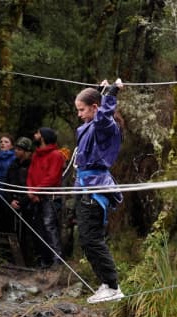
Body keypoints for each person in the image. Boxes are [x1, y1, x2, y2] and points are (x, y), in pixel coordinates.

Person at [74, 79, 125, 303]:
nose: (79, 114)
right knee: (86, 239)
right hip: (84, 187)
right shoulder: (92, 125)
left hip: (96, 189)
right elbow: (98, 113)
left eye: (82, 110)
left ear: (95, 108)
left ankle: (113, 286)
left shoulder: (105, 126)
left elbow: (103, 116)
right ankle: (106, 284)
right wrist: (103, 91)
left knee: (92, 239)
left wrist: (111, 93)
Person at [26, 127, 65, 268]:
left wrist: (36, 191)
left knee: (50, 227)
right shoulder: (36, 155)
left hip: (50, 197)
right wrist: (31, 191)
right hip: (36, 196)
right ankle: (44, 260)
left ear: (43, 137)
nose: (35, 135)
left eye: (37, 133)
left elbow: (53, 177)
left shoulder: (56, 155)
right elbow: (30, 174)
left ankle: (57, 260)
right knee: (39, 228)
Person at [6, 137, 35, 266]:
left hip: (28, 204)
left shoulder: (32, 165)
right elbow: (7, 184)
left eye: (19, 149)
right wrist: (11, 199)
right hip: (13, 201)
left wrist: (23, 202)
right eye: (16, 149)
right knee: (11, 231)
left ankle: (28, 261)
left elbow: (33, 186)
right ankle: (12, 259)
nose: (16, 151)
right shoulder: (13, 165)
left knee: (27, 234)